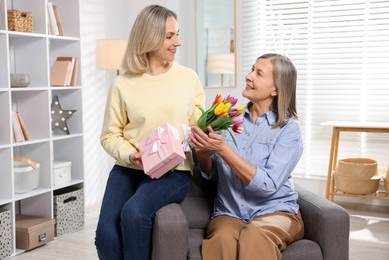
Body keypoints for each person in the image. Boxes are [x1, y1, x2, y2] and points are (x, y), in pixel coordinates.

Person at [94, 5, 205, 260]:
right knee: (106, 237)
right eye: (169, 36)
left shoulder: (188, 78)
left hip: (173, 171)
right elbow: (110, 135)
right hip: (129, 168)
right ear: (148, 36)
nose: (177, 42)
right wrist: (133, 156)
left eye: (177, 34)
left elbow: (196, 127)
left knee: (134, 213)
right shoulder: (122, 84)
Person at [189, 53, 304, 260]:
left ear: (276, 89)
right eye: (252, 69)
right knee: (221, 240)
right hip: (229, 212)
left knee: (255, 235)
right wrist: (204, 155)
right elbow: (213, 174)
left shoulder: (289, 130)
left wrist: (224, 150)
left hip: (275, 212)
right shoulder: (227, 120)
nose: (248, 76)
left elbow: (267, 185)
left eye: (258, 73)